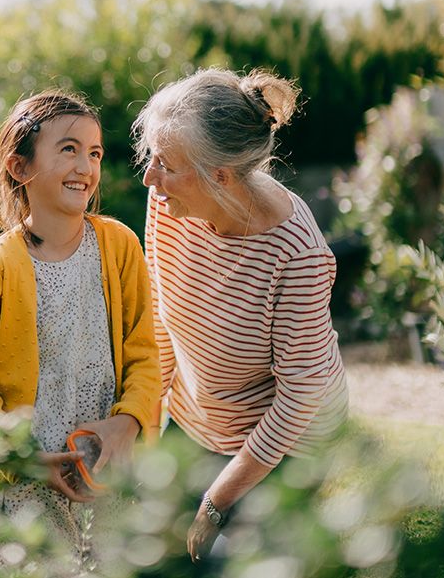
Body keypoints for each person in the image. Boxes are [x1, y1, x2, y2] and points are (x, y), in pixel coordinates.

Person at [132, 68, 349, 562]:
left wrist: (215, 503)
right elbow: (163, 316)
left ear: (221, 177)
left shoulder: (298, 254)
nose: (149, 177)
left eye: (164, 163)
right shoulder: (168, 201)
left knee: (231, 563)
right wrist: (143, 426)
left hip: (287, 440)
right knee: (152, 552)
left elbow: (298, 399)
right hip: (198, 418)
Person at [0, 90, 160, 570]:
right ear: (20, 167)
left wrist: (127, 424)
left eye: (95, 152)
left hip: (107, 477)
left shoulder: (120, 247)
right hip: (27, 483)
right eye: (68, 148)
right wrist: (22, 458)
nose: (85, 165)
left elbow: (145, 353)